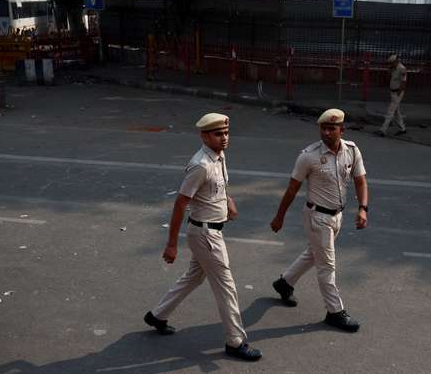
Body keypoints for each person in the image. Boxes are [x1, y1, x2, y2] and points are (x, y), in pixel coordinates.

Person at [144, 113, 262, 362]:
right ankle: (236, 341)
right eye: (219, 134)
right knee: (226, 287)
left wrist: (228, 202)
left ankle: (157, 315)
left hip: (210, 230)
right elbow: (180, 204)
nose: (225, 138)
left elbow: (218, 186)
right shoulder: (201, 165)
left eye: (226, 133)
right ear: (204, 136)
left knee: (194, 277)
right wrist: (171, 244)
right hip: (206, 234)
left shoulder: (219, 156)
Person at [270, 108, 369, 332]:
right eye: (323, 128)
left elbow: (360, 181)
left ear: (342, 129)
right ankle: (335, 312)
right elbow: (292, 189)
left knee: (314, 254)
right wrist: (279, 217)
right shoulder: (309, 155)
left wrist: (363, 208)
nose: (326, 132)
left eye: (331, 128)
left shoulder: (352, 151)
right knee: (327, 266)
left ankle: (284, 283)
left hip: (337, 216)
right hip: (317, 217)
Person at [377, 53, 407, 136]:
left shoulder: (402, 68)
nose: (391, 64)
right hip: (392, 92)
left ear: (396, 61)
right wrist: (390, 70)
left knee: (390, 112)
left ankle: (383, 130)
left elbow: (403, 82)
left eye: (392, 62)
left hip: (398, 93)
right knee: (396, 112)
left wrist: (398, 93)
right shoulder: (393, 68)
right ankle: (402, 128)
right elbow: (388, 77)